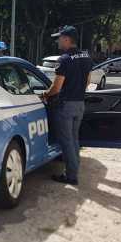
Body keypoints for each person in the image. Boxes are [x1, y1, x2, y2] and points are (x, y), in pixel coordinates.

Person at [41, 26, 92, 185]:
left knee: (66, 141)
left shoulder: (64, 59)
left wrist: (44, 94)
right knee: (74, 139)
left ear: (67, 39)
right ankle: (74, 169)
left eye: (59, 38)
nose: (57, 41)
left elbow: (56, 88)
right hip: (80, 104)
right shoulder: (86, 57)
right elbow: (88, 81)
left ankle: (71, 176)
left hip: (65, 106)